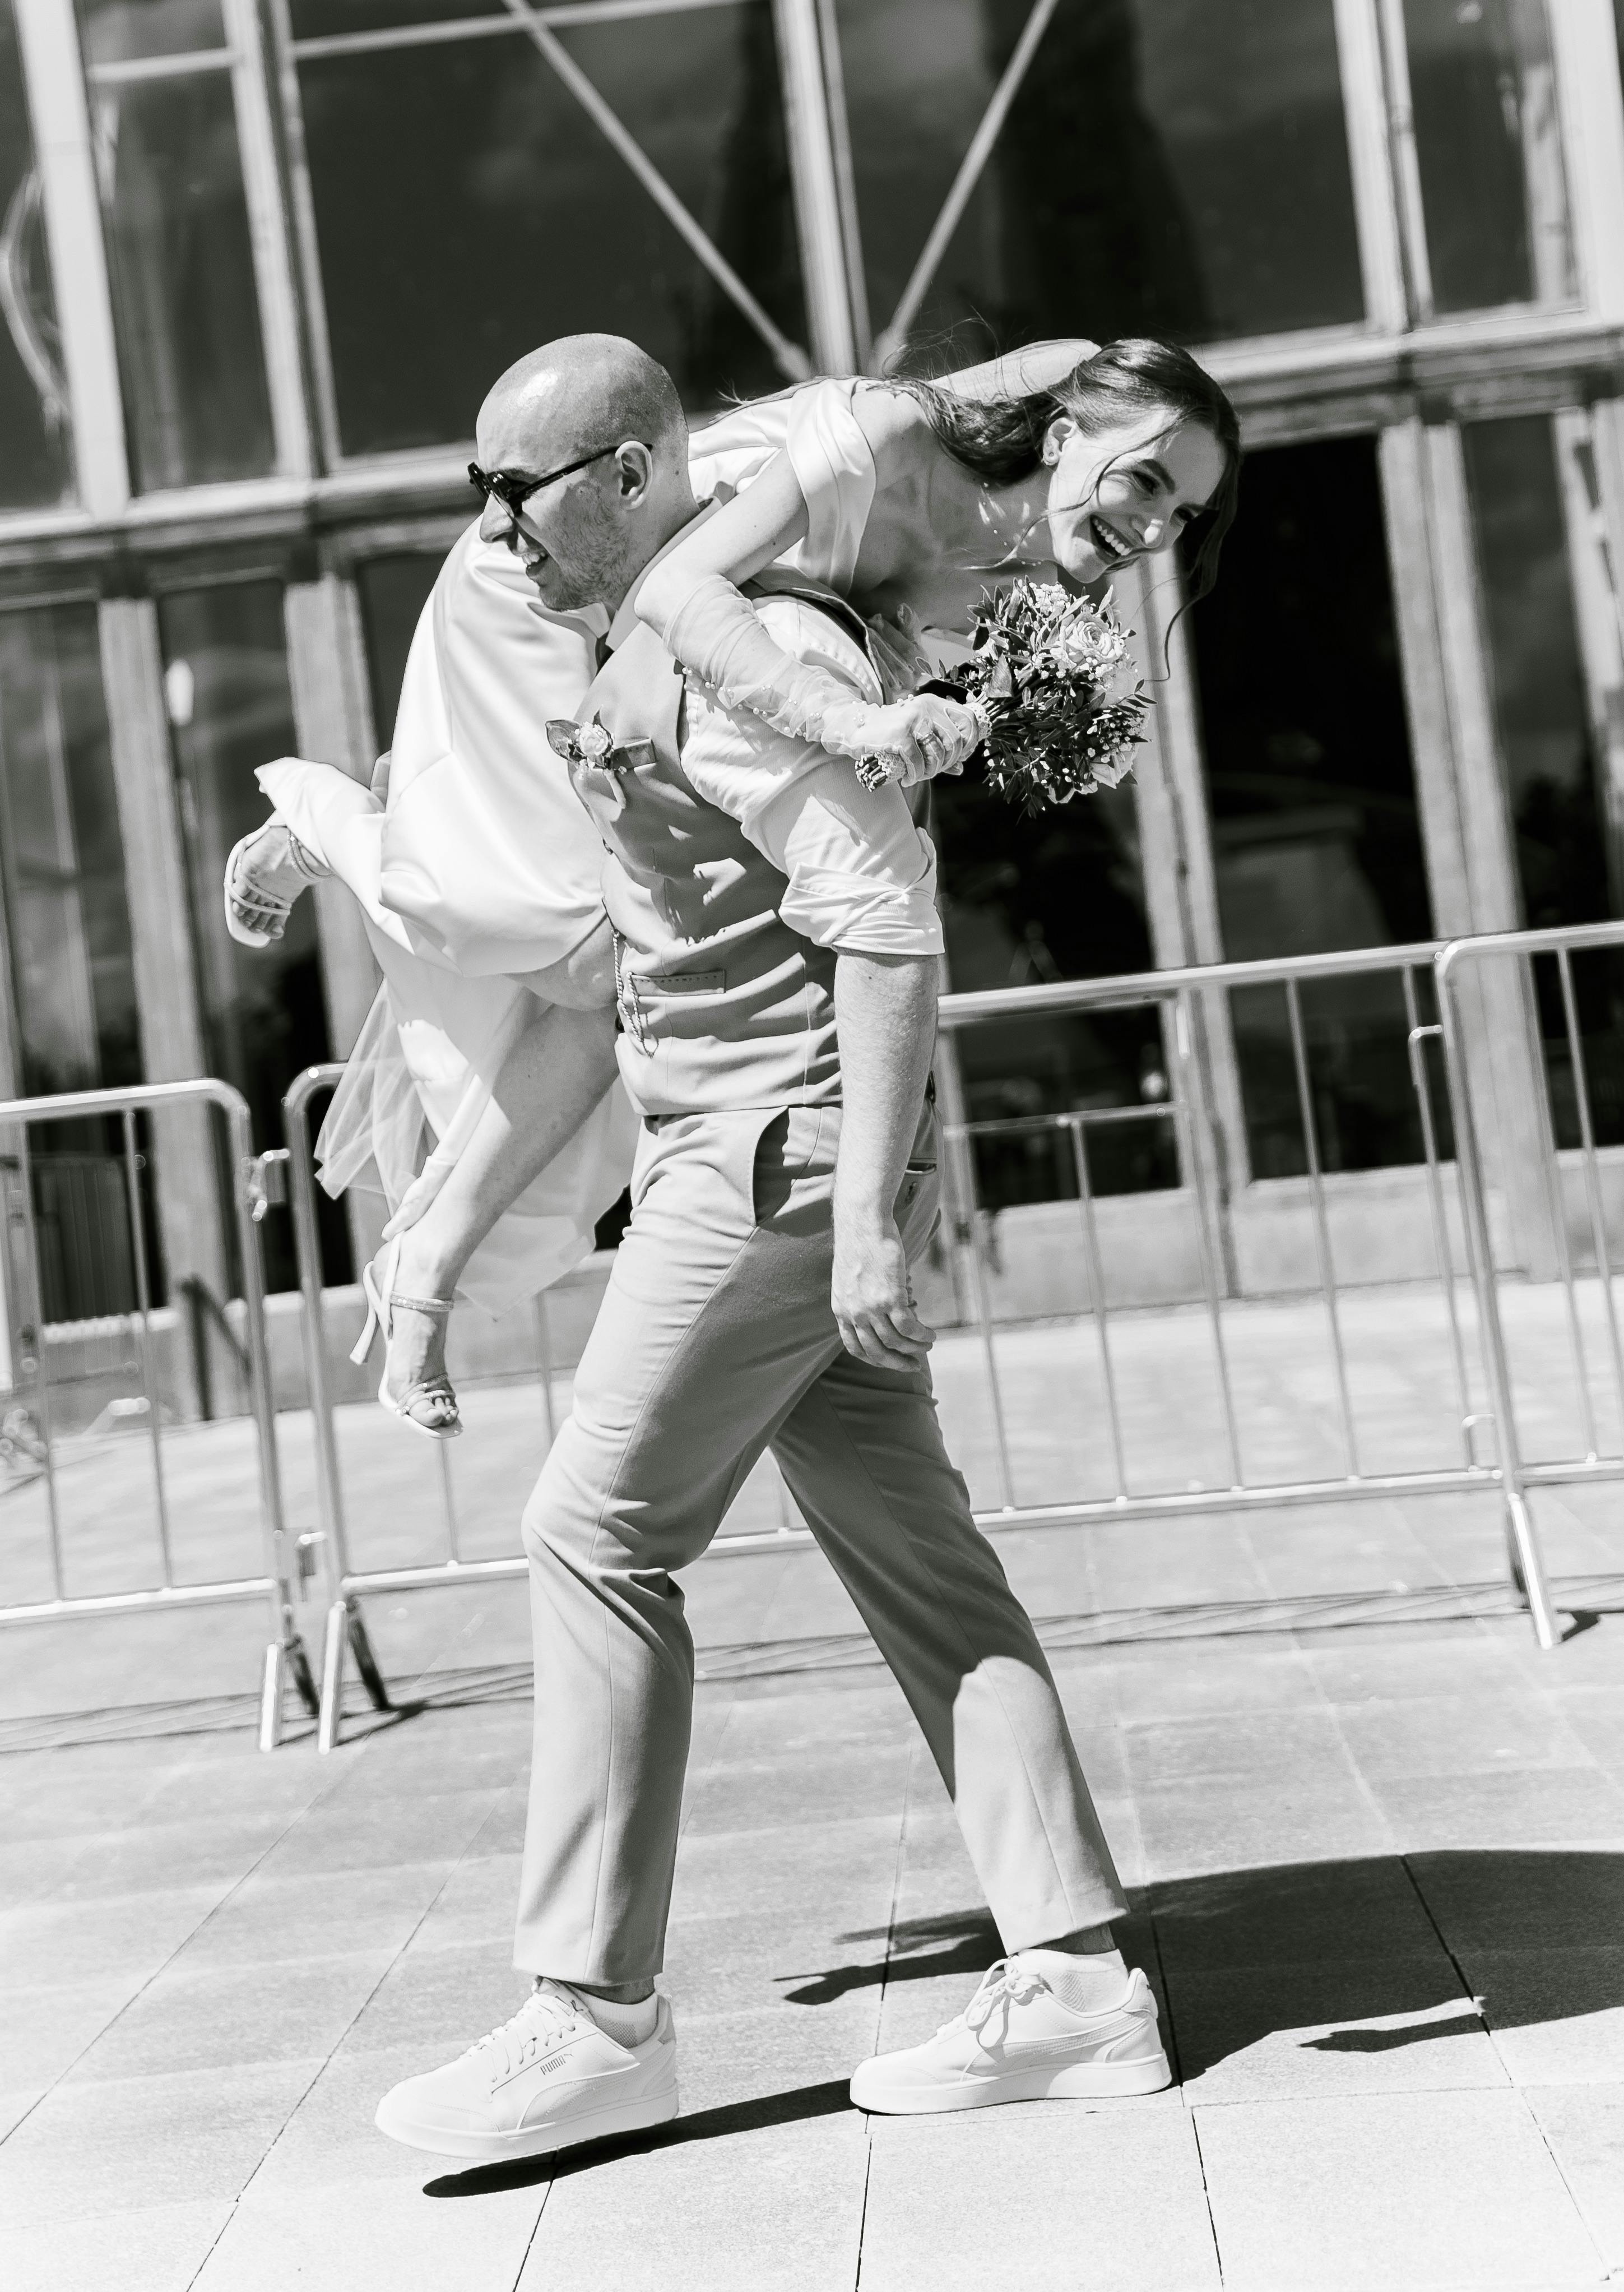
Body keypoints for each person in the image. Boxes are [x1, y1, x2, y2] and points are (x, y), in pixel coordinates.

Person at [372, 335, 1186, 2165]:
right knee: (930, 1582)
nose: (496, 523)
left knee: (591, 1535)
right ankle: (1072, 1986)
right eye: (481, 486)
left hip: (761, 1167)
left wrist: (858, 1225)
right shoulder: (648, 661)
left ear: (652, 470)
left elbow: (886, 932)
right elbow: (593, 996)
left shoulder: (760, 656)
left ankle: (588, 2014)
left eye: (535, 482)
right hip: (765, 1160)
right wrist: (434, 1243)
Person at [261, 337, 1236, 1434]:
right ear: (1062, 428)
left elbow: (838, 743)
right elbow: (688, 593)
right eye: (1147, 481)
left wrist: (919, 743)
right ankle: (330, 819)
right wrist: (859, 723)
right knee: (492, 912)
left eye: (1183, 516)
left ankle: (424, 1260)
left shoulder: (1014, 570)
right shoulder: (889, 433)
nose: (1156, 529)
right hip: (567, 571)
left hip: (664, 634)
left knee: (606, 963)